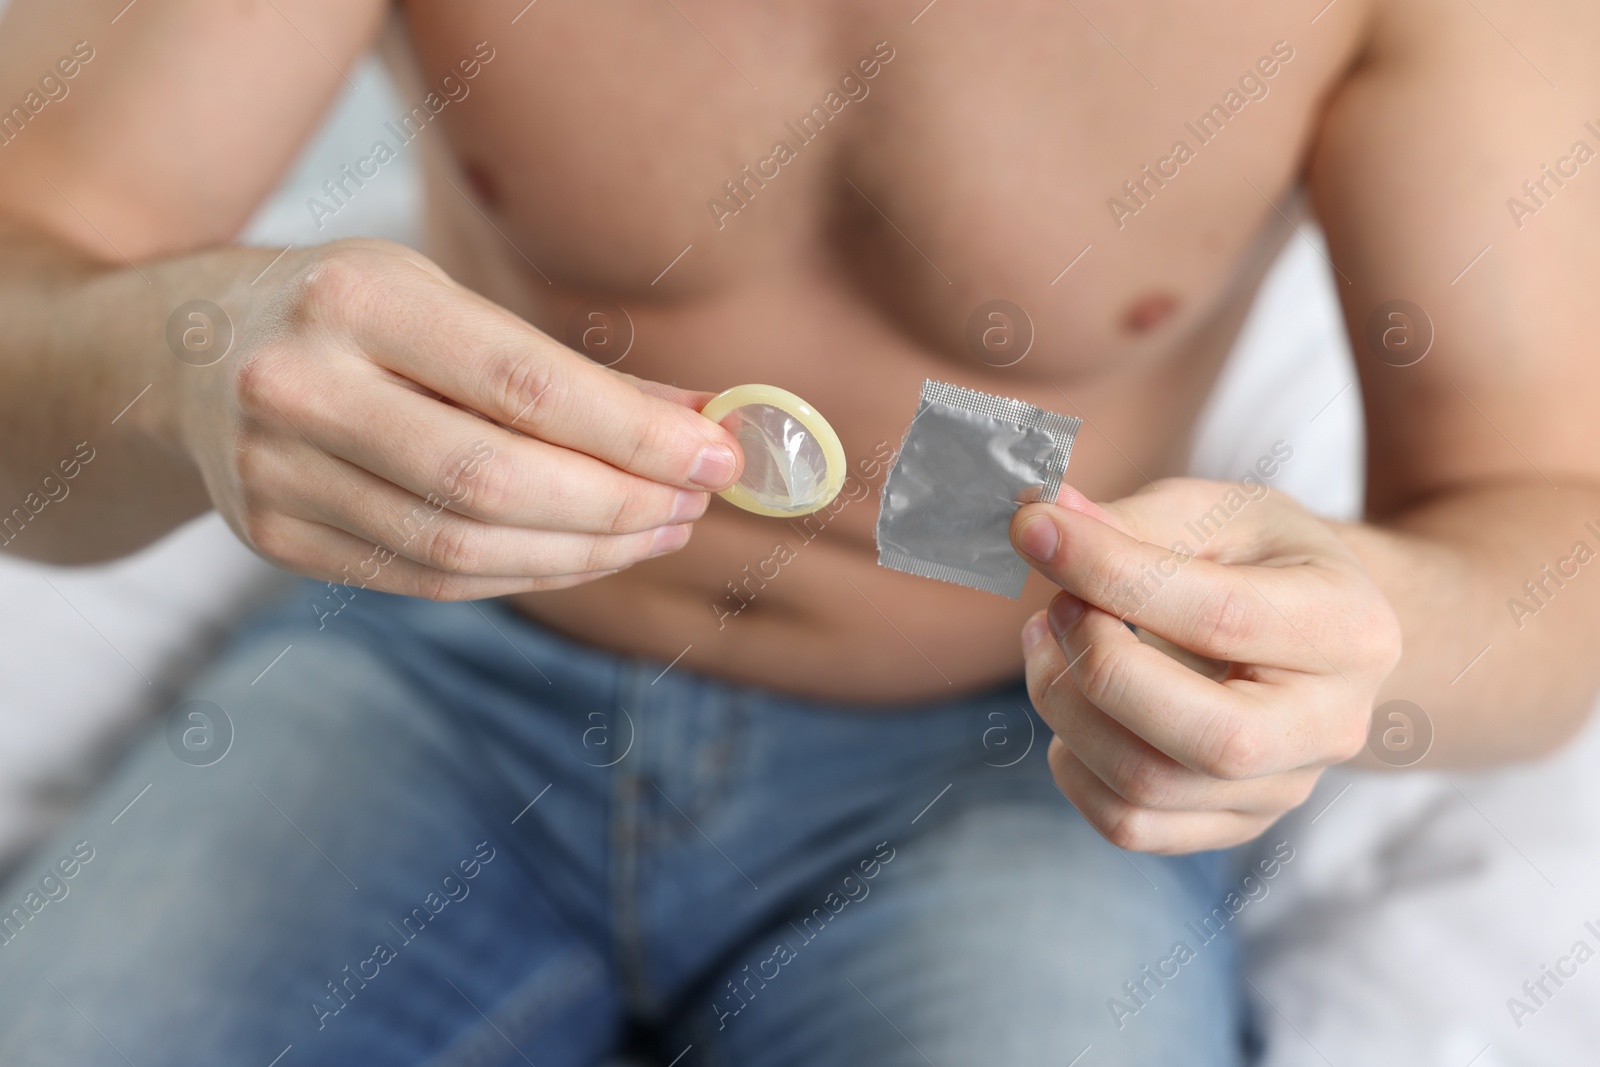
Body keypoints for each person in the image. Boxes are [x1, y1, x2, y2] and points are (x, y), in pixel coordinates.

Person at [0, 1, 1596, 1064]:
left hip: (1013, 765)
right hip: (432, 672)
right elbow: (33, 269)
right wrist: (176, 354)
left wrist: (1368, 629)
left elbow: (1550, 524)